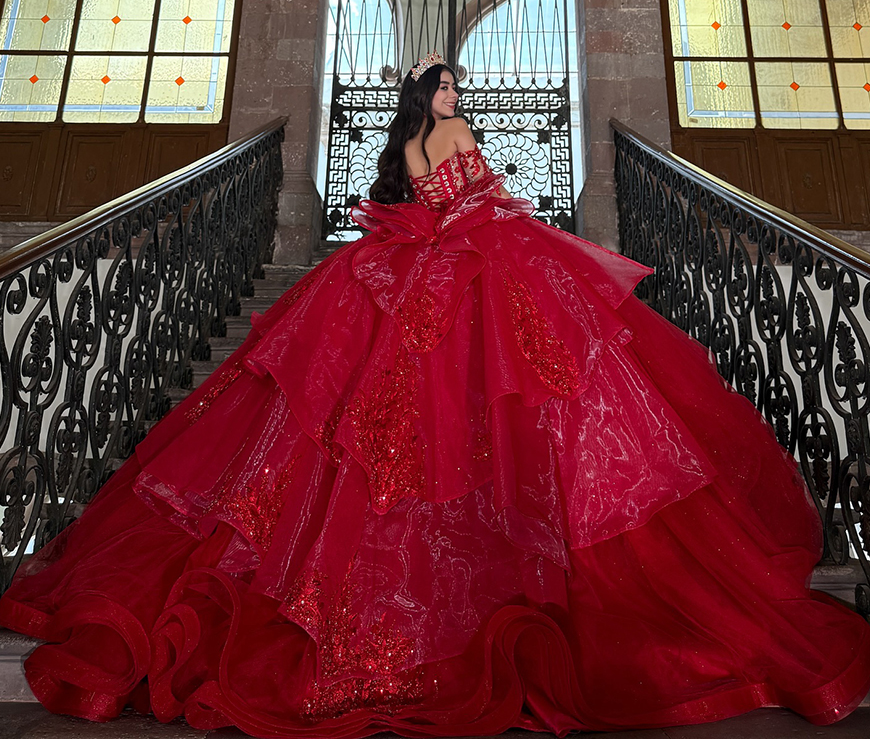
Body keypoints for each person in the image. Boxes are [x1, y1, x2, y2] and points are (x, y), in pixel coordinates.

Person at [1, 52, 869, 736]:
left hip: (411, 264)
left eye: (454, 84)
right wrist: (516, 223)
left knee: (364, 422)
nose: (456, 93)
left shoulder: (408, 147)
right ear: (430, 96)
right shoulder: (454, 136)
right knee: (528, 391)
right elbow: (484, 201)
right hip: (465, 260)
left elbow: (428, 202)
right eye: (445, 84)